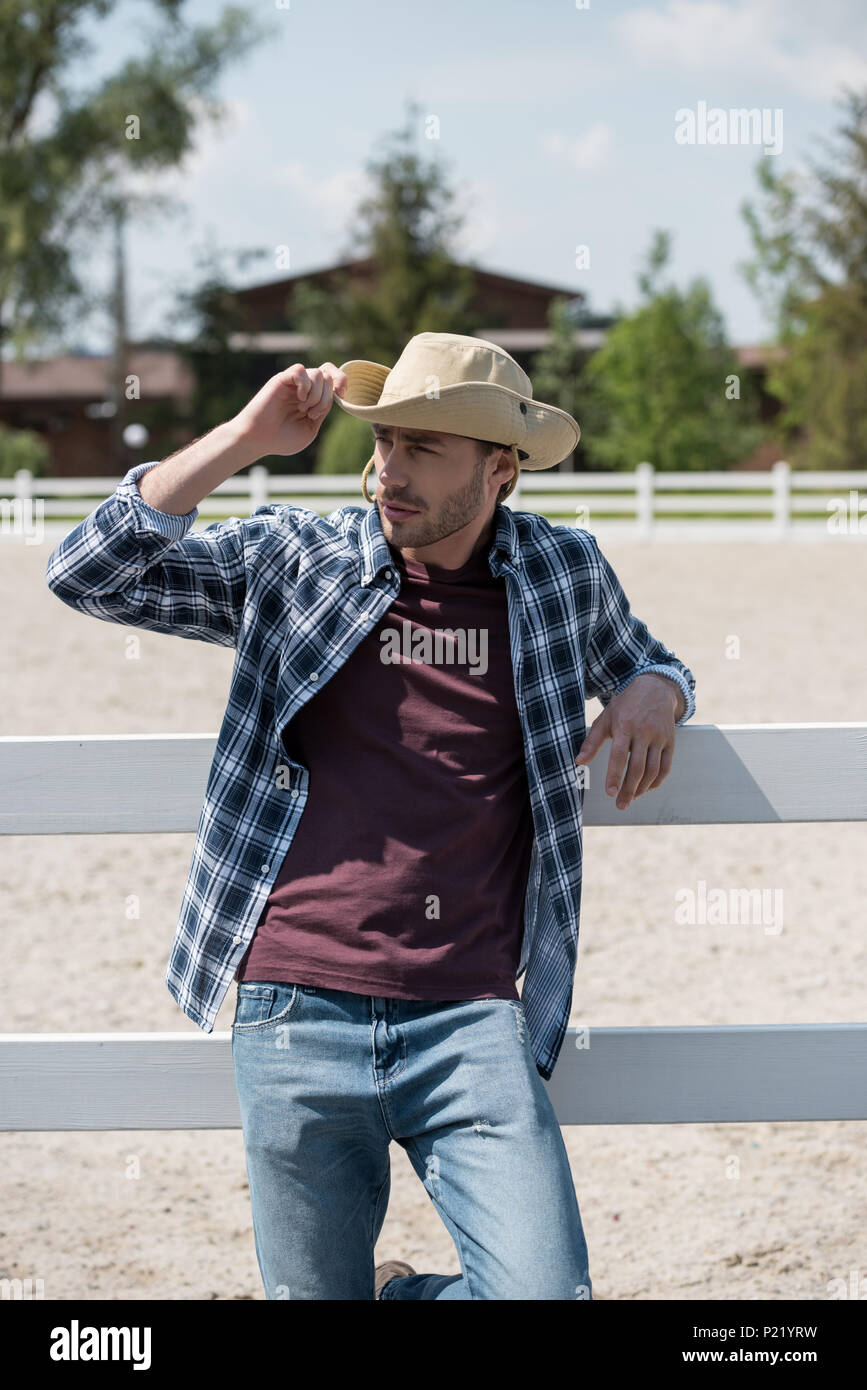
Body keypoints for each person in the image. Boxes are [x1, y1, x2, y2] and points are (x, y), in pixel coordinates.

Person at [46, 331, 696, 1300]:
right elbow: (91, 570)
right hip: (296, 1006)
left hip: (470, 1017)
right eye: (386, 440)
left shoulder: (562, 572)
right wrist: (242, 437)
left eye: (425, 447)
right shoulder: (294, 558)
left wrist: (656, 687)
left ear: (501, 469)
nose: (390, 469)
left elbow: (650, 658)